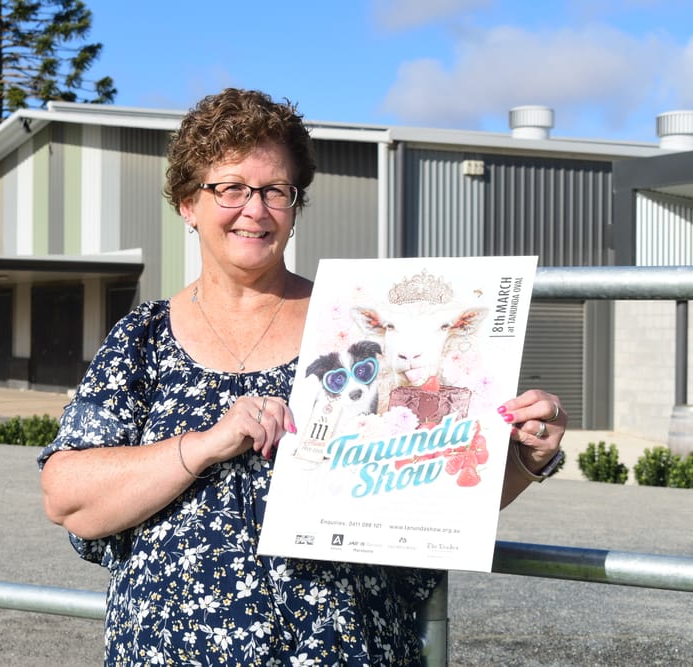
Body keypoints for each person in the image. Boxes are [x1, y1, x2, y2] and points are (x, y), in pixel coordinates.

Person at [38, 88, 567, 665]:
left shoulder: (359, 334)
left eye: (275, 191)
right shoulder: (142, 340)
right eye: (231, 188)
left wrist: (523, 459)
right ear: (188, 203)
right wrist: (206, 445)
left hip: (340, 650)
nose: (255, 210)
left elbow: (431, 505)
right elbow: (68, 496)